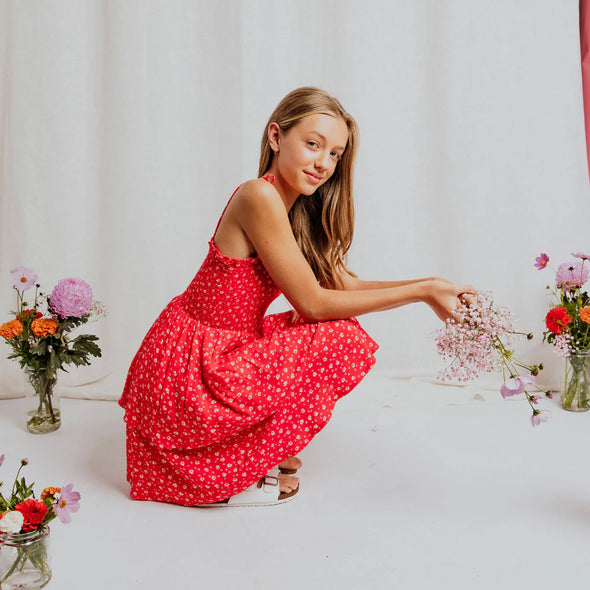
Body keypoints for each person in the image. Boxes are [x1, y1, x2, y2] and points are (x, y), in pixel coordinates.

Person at [119, 87, 476, 507]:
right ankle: (229, 470)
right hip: (193, 366)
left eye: (335, 154)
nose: (324, 163)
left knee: (333, 329)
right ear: (276, 137)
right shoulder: (259, 195)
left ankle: (243, 453)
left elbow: (343, 287)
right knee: (338, 337)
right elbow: (314, 304)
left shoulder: (293, 208)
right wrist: (422, 293)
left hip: (223, 347)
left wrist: (432, 286)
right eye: (313, 144)